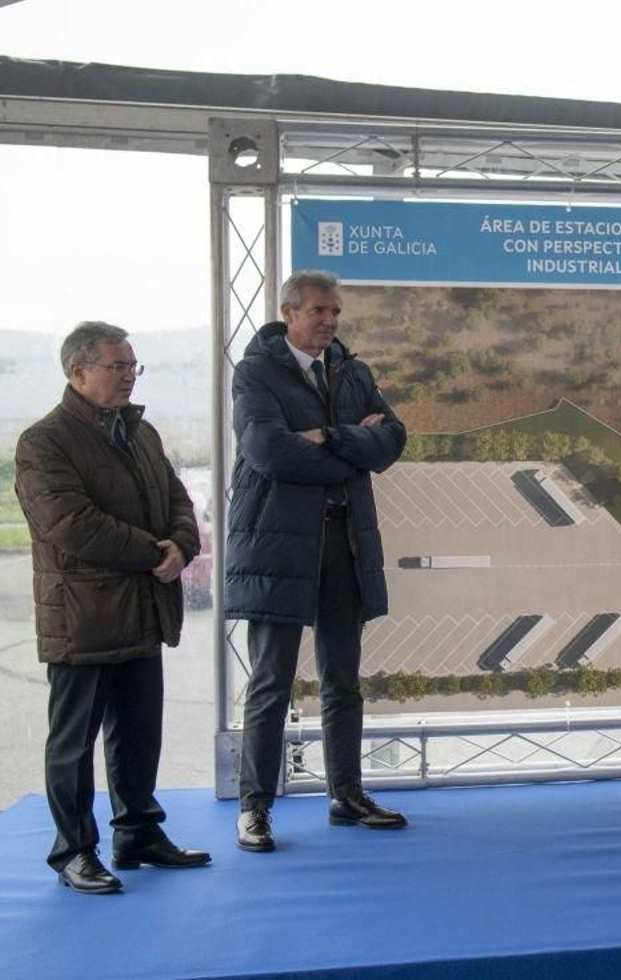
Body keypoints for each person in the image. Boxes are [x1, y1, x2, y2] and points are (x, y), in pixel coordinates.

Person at [14, 321, 210, 894]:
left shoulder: (141, 434)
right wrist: (155, 553)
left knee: (139, 732)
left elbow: (177, 499)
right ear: (78, 372)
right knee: (72, 743)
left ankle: (138, 833)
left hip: (141, 610)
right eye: (116, 366)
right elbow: (72, 525)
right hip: (81, 619)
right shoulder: (43, 442)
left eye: (132, 366)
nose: (129, 376)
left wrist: (182, 545)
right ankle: (74, 851)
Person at [227, 270, 408, 852]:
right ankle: (255, 808)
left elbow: (393, 440)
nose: (330, 321)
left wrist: (325, 436)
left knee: (342, 681)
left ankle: (346, 795)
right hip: (278, 548)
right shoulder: (255, 373)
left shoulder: (353, 371)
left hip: (344, 542)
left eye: (335, 312)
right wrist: (353, 445)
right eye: (318, 311)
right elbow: (269, 452)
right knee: (271, 683)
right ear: (288, 313)